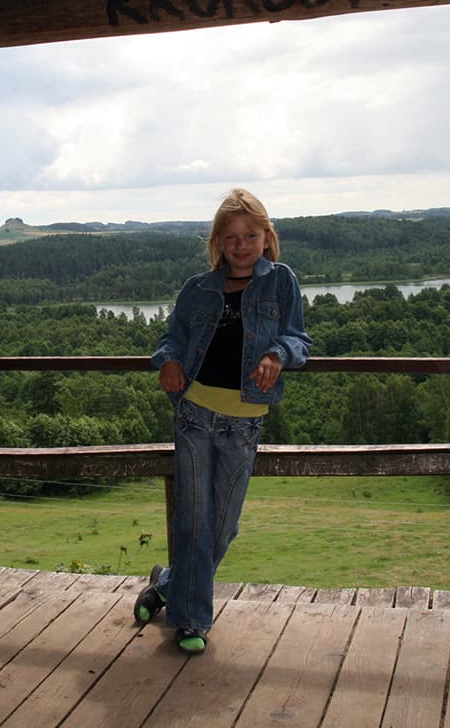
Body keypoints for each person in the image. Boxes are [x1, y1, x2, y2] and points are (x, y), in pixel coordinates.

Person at [135, 188, 311, 654]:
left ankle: (168, 584)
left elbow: (299, 338)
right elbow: (171, 339)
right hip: (194, 415)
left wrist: (277, 354)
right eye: (231, 237)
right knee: (193, 520)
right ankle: (191, 623)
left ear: (267, 237)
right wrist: (169, 361)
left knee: (223, 526)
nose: (241, 245)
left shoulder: (281, 282)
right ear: (217, 242)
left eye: (250, 235)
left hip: (244, 422)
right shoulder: (197, 288)